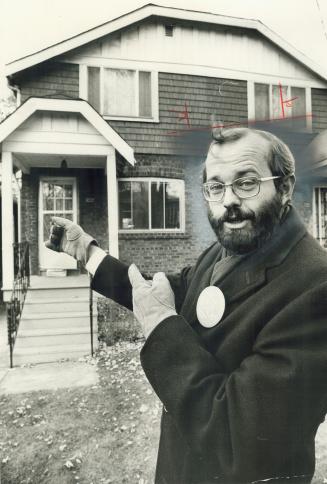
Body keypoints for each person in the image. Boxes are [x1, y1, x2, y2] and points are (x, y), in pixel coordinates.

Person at [46, 127, 327, 484]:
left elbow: (235, 441)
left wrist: (162, 327)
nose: (228, 201)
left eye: (247, 183)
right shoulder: (232, 244)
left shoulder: (316, 289)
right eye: (216, 186)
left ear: (285, 188)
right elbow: (174, 289)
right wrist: (88, 253)